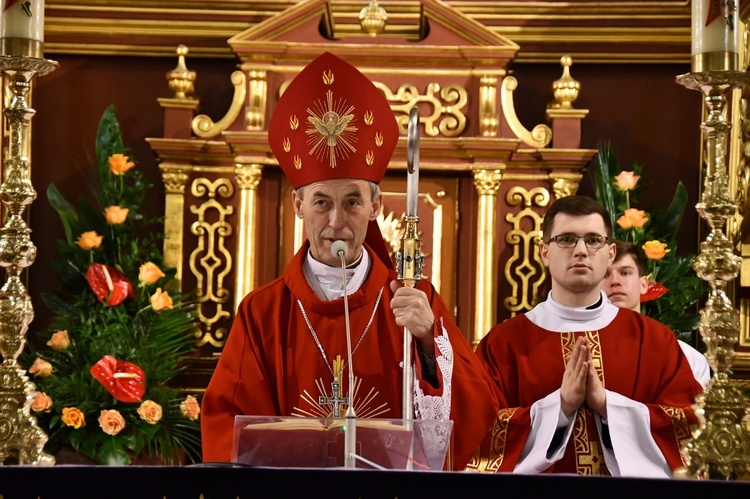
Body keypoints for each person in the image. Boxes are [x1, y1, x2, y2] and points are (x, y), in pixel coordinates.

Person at [200, 51, 499, 470]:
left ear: (376, 205)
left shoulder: (415, 299)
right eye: (321, 202)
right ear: (298, 205)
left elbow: (478, 418)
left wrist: (430, 344)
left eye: (352, 202)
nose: (336, 221)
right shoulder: (263, 312)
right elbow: (226, 427)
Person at [468, 195, 702, 477]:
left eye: (593, 240)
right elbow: (477, 433)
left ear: (611, 253)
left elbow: (688, 428)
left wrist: (607, 404)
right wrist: (561, 406)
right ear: (544, 252)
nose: (581, 250)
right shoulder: (504, 343)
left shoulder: (653, 341)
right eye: (566, 239)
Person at [602, 240, 710, 389]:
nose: (615, 281)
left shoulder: (687, 359)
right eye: (604, 275)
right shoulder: (580, 356)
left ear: (644, 285)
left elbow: (688, 411)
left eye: (625, 273)